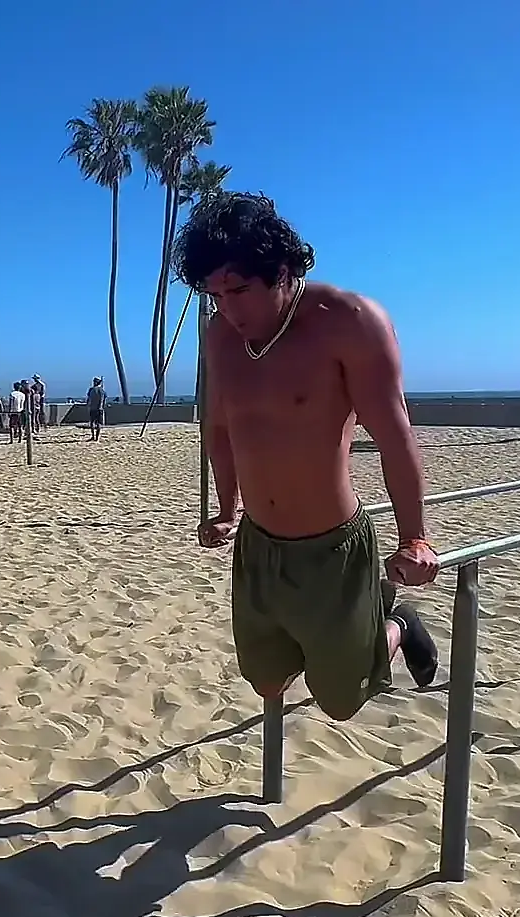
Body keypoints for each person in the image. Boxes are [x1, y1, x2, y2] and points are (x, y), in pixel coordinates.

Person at [181, 192, 439, 720]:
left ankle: (397, 624)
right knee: (267, 681)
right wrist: (228, 509)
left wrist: (414, 537)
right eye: (215, 295)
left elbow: (395, 437)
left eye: (239, 290)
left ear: (282, 271)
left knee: (340, 700)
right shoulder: (221, 337)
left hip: (331, 548)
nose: (229, 309)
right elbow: (222, 427)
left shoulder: (349, 322)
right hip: (259, 544)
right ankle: (362, 623)